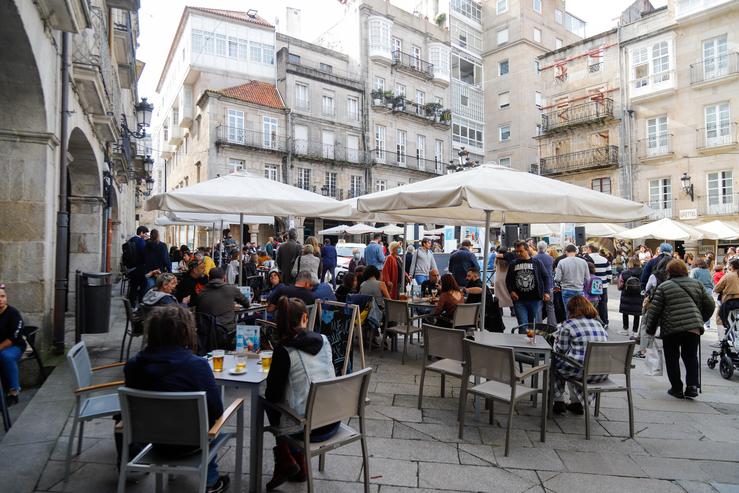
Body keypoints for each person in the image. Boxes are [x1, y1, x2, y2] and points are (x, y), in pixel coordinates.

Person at [124, 306, 229, 493]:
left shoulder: (133, 366)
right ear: (185, 332)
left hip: (150, 441)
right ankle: (211, 481)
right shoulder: (197, 366)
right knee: (210, 424)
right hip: (191, 444)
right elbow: (216, 412)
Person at [264, 296, 337, 489]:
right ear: (305, 317)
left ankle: (286, 459)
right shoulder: (325, 340)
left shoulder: (283, 350)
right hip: (333, 420)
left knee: (267, 401)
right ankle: (294, 464)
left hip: (308, 428)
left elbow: (272, 395)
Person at [645, 260, 714, 399]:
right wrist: (700, 319)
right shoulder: (697, 284)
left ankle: (676, 388)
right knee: (691, 357)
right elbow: (710, 304)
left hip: (671, 328)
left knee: (672, 358)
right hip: (692, 327)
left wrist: (650, 330)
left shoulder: (664, 287)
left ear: (669, 272)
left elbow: (655, 311)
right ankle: (692, 386)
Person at [552, 295, 609, 415]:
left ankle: (558, 401)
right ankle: (576, 403)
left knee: (556, 363)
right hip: (600, 373)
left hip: (582, 373)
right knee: (575, 362)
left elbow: (560, 351)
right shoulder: (599, 325)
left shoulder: (568, 324)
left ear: (571, 310)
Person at [506, 241, 552, 326]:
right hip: (519, 300)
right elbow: (508, 280)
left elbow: (546, 277)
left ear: (527, 250)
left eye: (521, 251)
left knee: (532, 325)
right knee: (523, 325)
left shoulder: (537, 262)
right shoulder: (513, 264)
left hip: (534, 299)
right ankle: (523, 339)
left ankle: (530, 339)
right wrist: (511, 291)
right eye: (517, 252)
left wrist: (546, 292)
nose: (519, 253)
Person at [194, 268, 250, 336]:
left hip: (206, 332)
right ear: (224, 277)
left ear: (209, 278)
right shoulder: (231, 289)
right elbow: (247, 304)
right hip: (226, 330)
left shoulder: (201, 293)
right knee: (249, 321)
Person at [0, 285, 25, 405]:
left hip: (15, 346)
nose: (0, 299)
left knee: (5, 356)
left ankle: (13, 391)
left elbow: (13, 338)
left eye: (3, 296)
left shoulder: (13, 313)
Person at [554, 244, 590, 318]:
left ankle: (570, 327)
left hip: (566, 289)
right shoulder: (583, 262)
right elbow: (588, 278)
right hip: (579, 289)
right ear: (575, 252)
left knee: (568, 312)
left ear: (566, 252)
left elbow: (557, 279)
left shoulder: (561, 262)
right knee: (580, 312)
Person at [617, 257, 643, 337]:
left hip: (626, 294)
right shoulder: (642, 272)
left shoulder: (625, 273)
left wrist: (621, 288)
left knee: (625, 311)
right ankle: (635, 331)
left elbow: (620, 285)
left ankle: (625, 329)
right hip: (638, 295)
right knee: (637, 313)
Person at [534, 240, 556, 326]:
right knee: (550, 306)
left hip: (538, 286)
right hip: (549, 284)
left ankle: (539, 324)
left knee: (538, 306)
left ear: (537, 248)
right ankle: (552, 324)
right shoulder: (550, 258)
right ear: (545, 248)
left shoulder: (534, 258)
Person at [126, 225, 149, 305]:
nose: (146, 235)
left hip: (131, 268)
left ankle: (131, 304)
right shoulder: (141, 241)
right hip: (139, 268)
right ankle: (141, 304)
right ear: (141, 233)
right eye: (145, 233)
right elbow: (145, 254)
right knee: (144, 285)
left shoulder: (131, 240)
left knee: (133, 287)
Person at [714, 258, 739, 327]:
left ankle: (723, 334)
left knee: (719, 317)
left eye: (729, 265)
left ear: (732, 266)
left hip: (729, 302)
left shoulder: (729, 275)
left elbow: (716, 289)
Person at [494, 247, 514, 316]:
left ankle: (500, 311)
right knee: (509, 294)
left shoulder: (497, 259)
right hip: (507, 278)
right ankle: (512, 310)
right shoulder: (508, 260)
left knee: (499, 295)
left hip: (498, 279)